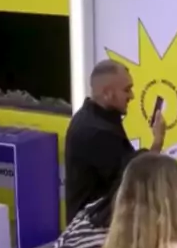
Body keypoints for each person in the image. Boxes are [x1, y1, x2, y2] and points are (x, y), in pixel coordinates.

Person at [65, 59, 165, 223]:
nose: (132, 96)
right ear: (107, 93)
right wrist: (158, 141)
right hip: (93, 231)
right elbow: (136, 178)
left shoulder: (97, 118)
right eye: (127, 90)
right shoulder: (96, 132)